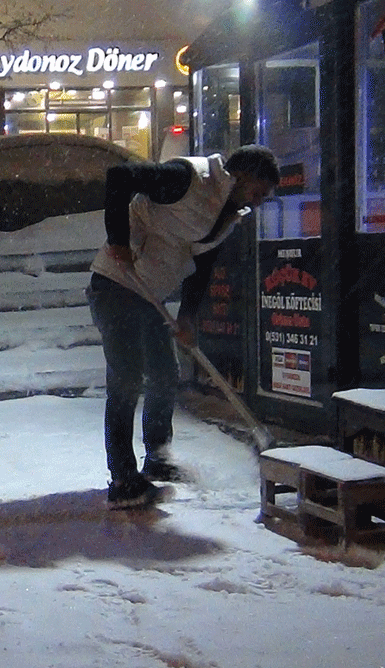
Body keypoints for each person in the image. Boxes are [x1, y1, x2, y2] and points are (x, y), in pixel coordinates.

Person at [87, 145, 279, 508]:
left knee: (164, 375)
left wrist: (188, 316)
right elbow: (120, 177)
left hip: (149, 295)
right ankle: (124, 481)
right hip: (115, 284)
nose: (258, 202)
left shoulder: (227, 213)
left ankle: (157, 457)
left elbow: (202, 266)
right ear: (240, 177)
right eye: (258, 192)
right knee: (126, 379)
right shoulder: (188, 178)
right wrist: (117, 240)